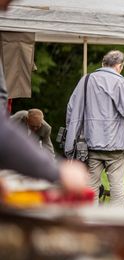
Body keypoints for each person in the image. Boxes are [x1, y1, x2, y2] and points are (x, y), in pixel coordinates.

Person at [0, 0, 87, 198]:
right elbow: (3, 132)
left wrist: (50, 160)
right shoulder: (19, 117)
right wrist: (56, 170)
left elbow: (46, 145)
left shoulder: (45, 128)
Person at [65, 50, 124, 207]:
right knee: (117, 186)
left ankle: (88, 221)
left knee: (91, 185)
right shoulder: (121, 83)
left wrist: (72, 132)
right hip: (118, 145)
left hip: (90, 143)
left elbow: (71, 109)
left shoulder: (86, 80)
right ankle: (119, 223)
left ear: (103, 64)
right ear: (119, 66)